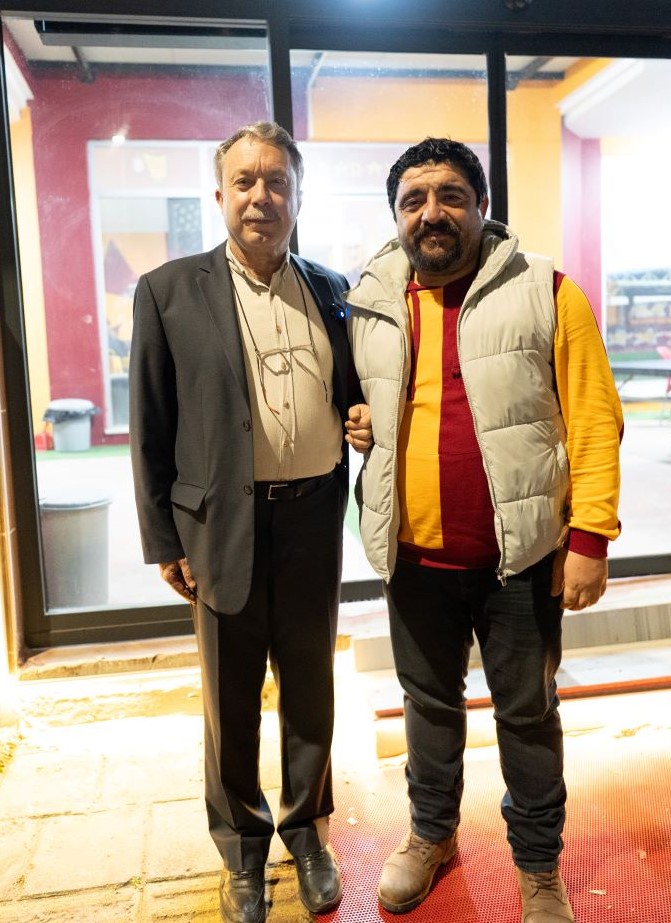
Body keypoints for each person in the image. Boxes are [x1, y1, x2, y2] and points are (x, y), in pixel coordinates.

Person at [346, 138, 622, 922]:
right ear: (396, 214)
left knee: (526, 715)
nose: (430, 213)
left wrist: (589, 538)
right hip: (411, 556)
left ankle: (537, 867)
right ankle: (430, 835)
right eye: (413, 199)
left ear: (482, 206)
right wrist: (356, 419)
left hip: (520, 560)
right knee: (426, 706)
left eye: (450, 195)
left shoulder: (548, 290)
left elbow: (593, 417)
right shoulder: (370, 302)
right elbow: (355, 397)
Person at [129, 121, 371, 923]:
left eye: (276, 182)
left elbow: (351, 392)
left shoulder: (332, 290)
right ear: (219, 194)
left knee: (310, 689)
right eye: (244, 181)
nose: (260, 196)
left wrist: (360, 415)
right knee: (229, 700)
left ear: (297, 195)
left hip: (312, 521)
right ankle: (241, 849)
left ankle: (307, 832)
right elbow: (150, 425)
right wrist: (164, 539)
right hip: (220, 527)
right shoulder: (169, 292)